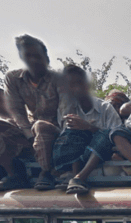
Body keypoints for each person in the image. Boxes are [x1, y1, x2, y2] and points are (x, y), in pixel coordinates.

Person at [4, 34, 69, 191]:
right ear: (21, 57)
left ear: (46, 57)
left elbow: (66, 111)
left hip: (56, 128)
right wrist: (28, 134)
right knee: (1, 124)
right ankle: (12, 173)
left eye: (37, 55)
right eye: (28, 56)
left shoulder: (59, 79)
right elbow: (16, 110)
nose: (33, 60)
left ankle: (46, 172)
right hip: (29, 127)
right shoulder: (13, 78)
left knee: (41, 126)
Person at [52, 65, 124, 194]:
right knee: (71, 130)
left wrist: (89, 127)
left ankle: (79, 177)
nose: (75, 88)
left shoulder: (105, 108)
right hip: (77, 156)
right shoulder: (65, 109)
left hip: (101, 157)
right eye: (69, 85)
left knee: (106, 134)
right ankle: (73, 176)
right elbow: (65, 137)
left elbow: (116, 136)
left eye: (78, 83)